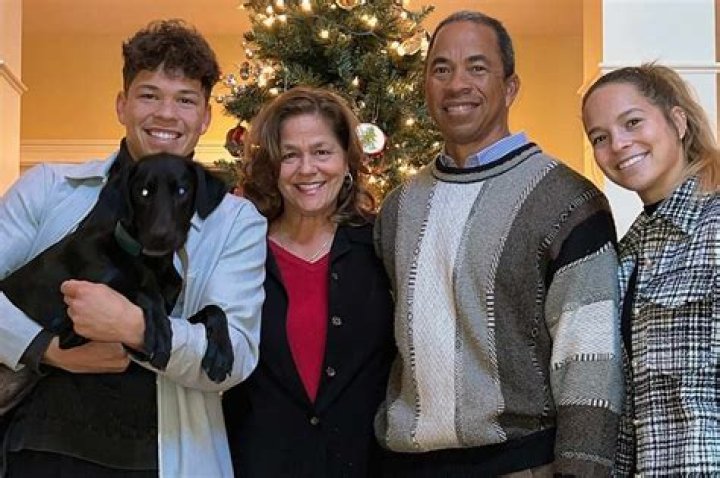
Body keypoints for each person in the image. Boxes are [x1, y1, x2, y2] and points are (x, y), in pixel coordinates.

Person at [0, 19, 266, 477]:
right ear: (122, 105)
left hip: (161, 458)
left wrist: (134, 326)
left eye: (185, 100)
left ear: (205, 117)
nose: (166, 113)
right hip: (40, 449)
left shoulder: (235, 221)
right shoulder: (46, 187)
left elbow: (234, 356)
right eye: (149, 95)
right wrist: (49, 349)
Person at [373, 10, 624, 477]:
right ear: (425, 87)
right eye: (441, 69)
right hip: (406, 466)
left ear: (510, 88)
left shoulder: (567, 201)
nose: (457, 84)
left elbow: (590, 361)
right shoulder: (398, 208)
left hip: (524, 465)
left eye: (477, 67)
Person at [222, 86, 395, 477]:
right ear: (273, 166)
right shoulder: (242, 250)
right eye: (290, 155)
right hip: (258, 465)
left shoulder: (381, 244)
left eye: (322, 151)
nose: (306, 169)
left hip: (365, 465)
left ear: (347, 160)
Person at [582, 64, 720, 476]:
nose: (618, 144)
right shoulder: (628, 251)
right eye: (600, 137)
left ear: (677, 121)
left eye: (632, 122)